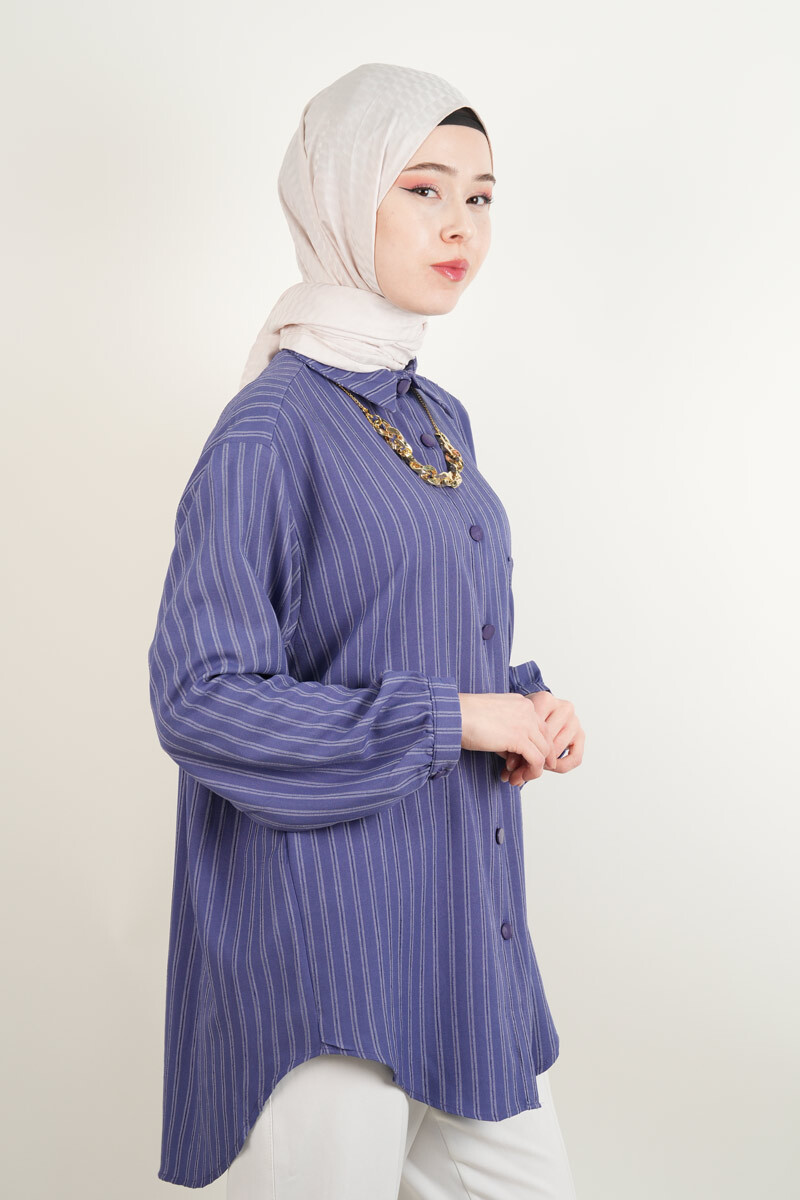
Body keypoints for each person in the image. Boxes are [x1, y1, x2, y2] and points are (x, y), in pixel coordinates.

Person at [147, 62, 585, 1198]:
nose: (460, 227)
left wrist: (518, 706)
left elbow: (395, 634)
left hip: (459, 936)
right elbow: (200, 698)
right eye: (423, 189)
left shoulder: (437, 417)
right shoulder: (269, 428)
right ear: (341, 198)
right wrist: (454, 718)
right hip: (327, 949)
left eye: (480, 197)